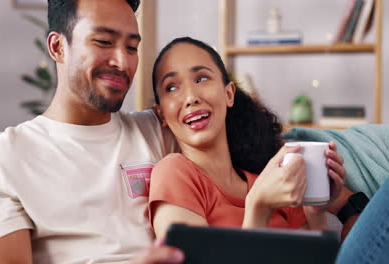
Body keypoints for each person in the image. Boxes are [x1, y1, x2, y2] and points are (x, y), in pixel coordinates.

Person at [0, 0, 184, 263]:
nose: (123, 62)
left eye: (131, 47)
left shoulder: (160, 132)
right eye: (103, 42)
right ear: (57, 47)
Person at [148, 37, 347, 238]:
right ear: (161, 114)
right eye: (171, 87)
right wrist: (258, 208)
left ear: (229, 94)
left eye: (201, 78)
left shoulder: (274, 182)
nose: (191, 97)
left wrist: (315, 211)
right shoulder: (174, 173)